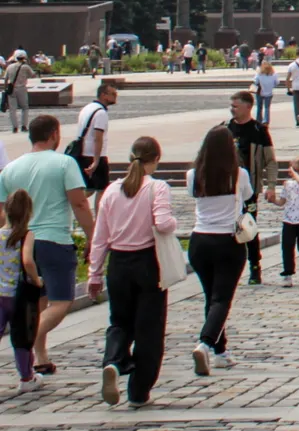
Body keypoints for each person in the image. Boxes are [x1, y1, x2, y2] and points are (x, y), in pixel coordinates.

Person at [0, 114, 95, 376]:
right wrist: (93, 236)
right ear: (54, 134)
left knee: (37, 301)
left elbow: (2, 214)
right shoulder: (64, 163)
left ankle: (40, 357)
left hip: (21, 242)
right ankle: (26, 337)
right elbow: (79, 203)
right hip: (54, 240)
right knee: (62, 301)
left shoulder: (11, 169)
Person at [87, 135, 173, 407]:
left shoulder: (112, 191)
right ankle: (138, 391)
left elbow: (100, 237)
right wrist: (172, 222)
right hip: (147, 263)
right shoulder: (157, 188)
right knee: (149, 329)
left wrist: (94, 274)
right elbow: (163, 223)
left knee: (119, 321)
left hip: (118, 264)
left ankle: (113, 361)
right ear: (156, 160)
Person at [185, 125, 251, 376]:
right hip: (228, 242)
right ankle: (205, 344)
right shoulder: (238, 174)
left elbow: (192, 195)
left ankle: (220, 352)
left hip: (200, 240)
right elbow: (248, 196)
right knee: (222, 299)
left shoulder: (194, 175)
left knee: (211, 297)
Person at [225, 92, 275, 285]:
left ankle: (255, 266)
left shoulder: (258, 130)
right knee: (228, 228)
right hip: (228, 190)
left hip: (250, 190)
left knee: (248, 227)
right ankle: (230, 268)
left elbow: (270, 161)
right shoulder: (225, 129)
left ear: (248, 107)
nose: (232, 109)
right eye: (231, 106)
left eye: (235, 106)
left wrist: (271, 186)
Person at [2, 189, 43, 390]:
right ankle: (26, 378)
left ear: (5, 211)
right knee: (22, 337)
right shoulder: (26, 235)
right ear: (29, 213)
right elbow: (27, 261)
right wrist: (36, 280)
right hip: (18, 296)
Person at [269, 156, 299, 284]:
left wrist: (296, 175)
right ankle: (288, 273)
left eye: (296, 169)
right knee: (287, 246)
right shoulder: (288, 184)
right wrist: (273, 200)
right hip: (289, 220)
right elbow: (282, 202)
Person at [74, 84, 118, 214]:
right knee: (101, 190)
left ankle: (75, 206)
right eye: (113, 94)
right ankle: (98, 219)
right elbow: (98, 138)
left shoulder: (87, 108)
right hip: (95, 156)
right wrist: (96, 161)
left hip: (83, 153)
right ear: (103, 95)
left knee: (89, 189)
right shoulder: (101, 113)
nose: (115, 97)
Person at [2, 51, 30, 134]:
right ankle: (24, 126)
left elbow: (5, 79)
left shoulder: (9, 67)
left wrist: (6, 89)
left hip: (11, 89)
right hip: (22, 88)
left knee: (12, 109)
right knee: (25, 107)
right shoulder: (25, 67)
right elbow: (33, 75)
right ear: (24, 58)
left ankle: (14, 127)